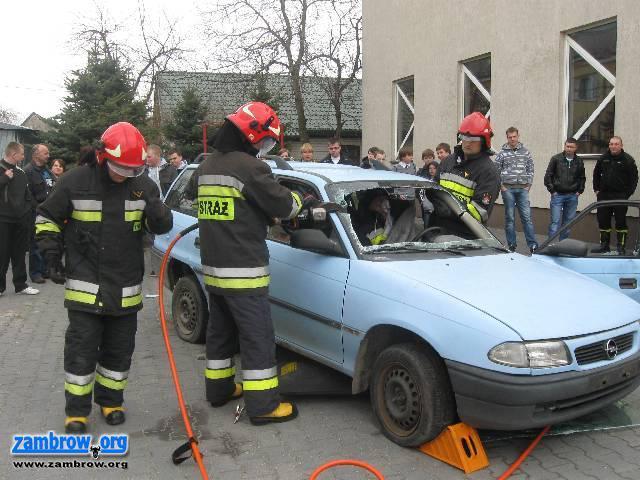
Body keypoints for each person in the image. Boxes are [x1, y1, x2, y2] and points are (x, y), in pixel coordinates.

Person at [35, 122, 173, 433]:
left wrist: (157, 209)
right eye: (119, 166)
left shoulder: (143, 186)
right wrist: (51, 255)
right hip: (86, 286)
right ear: (102, 156)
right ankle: (77, 412)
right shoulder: (74, 181)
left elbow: (162, 227)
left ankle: (111, 401)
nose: (124, 173)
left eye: (131, 168)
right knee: (81, 350)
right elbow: (46, 217)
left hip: (125, 287)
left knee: (119, 350)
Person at [187, 102, 308, 425]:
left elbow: (195, 194)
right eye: (266, 142)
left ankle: (220, 390)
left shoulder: (207, 166)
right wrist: (300, 200)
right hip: (244, 273)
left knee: (220, 333)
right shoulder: (252, 168)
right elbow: (284, 206)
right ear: (252, 136)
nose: (265, 149)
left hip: (213, 269)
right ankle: (263, 405)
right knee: (257, 338)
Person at [438, 113, 500, 224]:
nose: (468, 143)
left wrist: (445, 211)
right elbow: (434, 188)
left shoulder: (489, 172)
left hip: (465, 235)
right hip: (437, 229)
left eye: (473, 139)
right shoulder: (448, 161)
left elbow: (479, 212)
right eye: (465, 137)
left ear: (484, 141)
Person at [0, 142, 40, 297]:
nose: (24, 157)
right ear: (13, 154)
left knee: (19, 254)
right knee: (2, 254)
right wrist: (4, 179)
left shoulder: (21, 173)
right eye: (22, 154)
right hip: (3, 219)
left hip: (20, 220)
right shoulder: (2, 170)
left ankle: (20, 284)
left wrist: (27, 211)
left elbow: (27, 195)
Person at [495, 127, 538, 253]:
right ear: (507, 137)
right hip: (508, 189)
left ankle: (532, 245)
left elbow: (530, 169)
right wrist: (502, 187)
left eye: (514, 136)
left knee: (527, 218)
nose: (512, 139)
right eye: (510, 137)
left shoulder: (526, 152)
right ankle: (512, 245)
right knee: (510, 218)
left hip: (523, 190)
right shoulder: (502, 154)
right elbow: (496, 171)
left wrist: (528, 185)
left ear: (518, 136)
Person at [593, 136, 638, 253]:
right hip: (604, 196)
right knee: (603, 220)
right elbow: (596, 174)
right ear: (609, 145)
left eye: (616, 144)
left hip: (620, 196)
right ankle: (604, 246)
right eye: (611, 144)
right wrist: (597, 189)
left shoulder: (628, 160)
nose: (613, 146)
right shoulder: (603, 158)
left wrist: (627, 194)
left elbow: (634, 179)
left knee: (621, 221)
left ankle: (621, 246)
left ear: (621, 145)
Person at [544, 138, 585, 241]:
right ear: (564, 146)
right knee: (555, 222)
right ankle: (551, 246)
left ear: (576, 148)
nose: (569, 149)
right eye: (567, 146)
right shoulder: (556, 159)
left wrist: (579, 191)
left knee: (568, 223)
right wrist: (552, 191)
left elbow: (582, 177)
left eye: (571, 147)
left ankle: (562, 246)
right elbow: (548, 176)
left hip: (572, 196)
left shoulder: (579, 161)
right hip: (558, 196)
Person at [24, 144, 55, 283]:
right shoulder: (28, 171)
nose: (48, 155)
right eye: (45, 153)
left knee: (46, 242)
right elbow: (27, 195)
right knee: (36, 244)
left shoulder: (47, 171)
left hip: (49, 213)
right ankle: (35, 273)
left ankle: (44, 270)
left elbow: (54, 187)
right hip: (36, 213)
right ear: (36, 155)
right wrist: (38, 209)